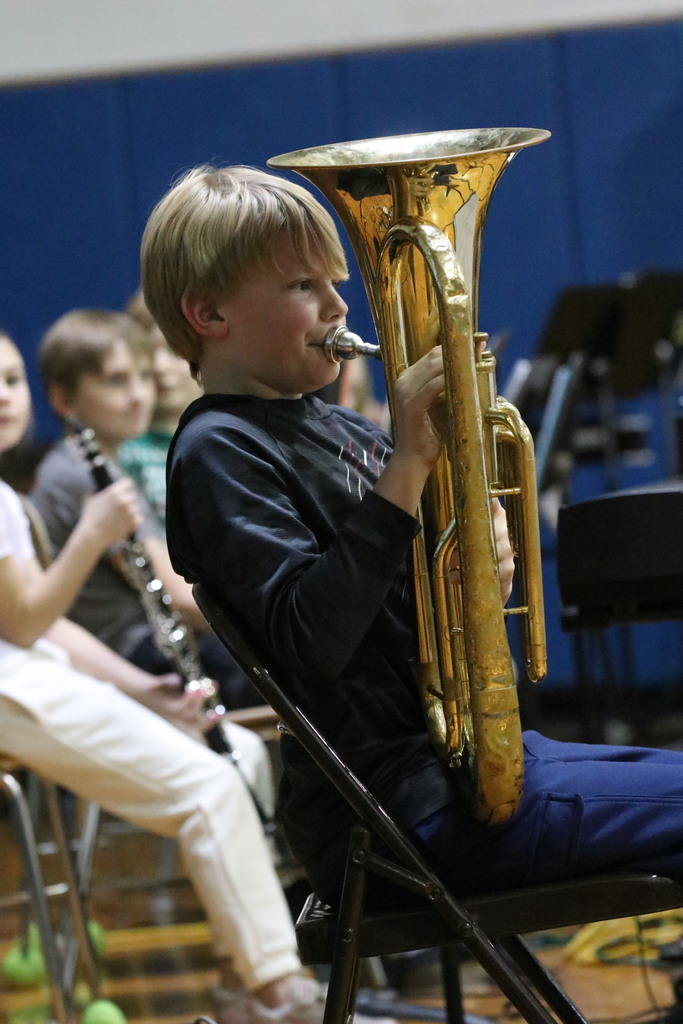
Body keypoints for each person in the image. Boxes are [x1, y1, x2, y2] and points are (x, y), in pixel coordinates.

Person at [141, 163, 683, 915]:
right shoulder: (219, 451)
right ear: (208, 313)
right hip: (395, 813)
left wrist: (481, 564)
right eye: (302, 286)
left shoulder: (336, 426)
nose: (337, 306)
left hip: (459, 772)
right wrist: (406, 469)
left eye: (334, 282)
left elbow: (417, 596)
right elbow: (310, 640)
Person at [0, 327, 339, 1024]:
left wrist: (139, 688)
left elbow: (38, 627)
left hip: (29, 667)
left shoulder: (9, 494)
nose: (4, 398)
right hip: (13, 682)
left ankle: (241, 978)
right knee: (207, 787)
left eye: (8, 381)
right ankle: (282, 993)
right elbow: (27, 626)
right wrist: (94, 532)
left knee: (241, 751)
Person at [30, 308, 259, 710]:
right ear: (64, 399)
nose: (139, 395)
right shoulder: (87, 477)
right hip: (133, 656)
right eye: (116, 381)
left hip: (139, 649)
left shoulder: (85, 466)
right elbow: (181, 599)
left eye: (144, 377)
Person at [118, 290, 202, 529]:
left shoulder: (231, 436)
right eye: (146, 354)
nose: (159, 366)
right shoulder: (122, 449)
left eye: (174, 350)